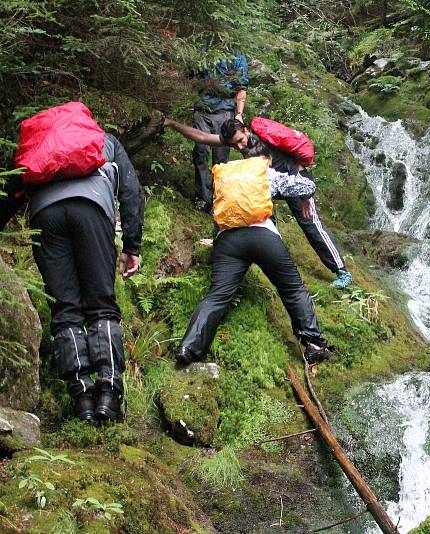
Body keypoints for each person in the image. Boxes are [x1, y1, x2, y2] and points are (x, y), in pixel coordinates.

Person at [0, 134, 143, 422]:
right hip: (92, 208)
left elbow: (12, 188)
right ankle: (109, 396)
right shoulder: (104, 139)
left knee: (65, 308)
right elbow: (130, 190)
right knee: (101, 305)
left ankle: (82, 398)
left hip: (45, 215)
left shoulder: (38, 143)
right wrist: (131, 246)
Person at [175, 156, 336, 366]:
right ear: (265, 159)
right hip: (263, 237)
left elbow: (220, 211)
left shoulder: (225, 176)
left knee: (216, 297)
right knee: (293, 290)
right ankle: (314, 345)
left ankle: (189, 347)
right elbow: (306, 184)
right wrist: (307, 197)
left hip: (228, 240)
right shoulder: (265, 172)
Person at [164, 116, 354, 289]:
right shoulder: (236, 139)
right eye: (233, 144)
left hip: (295, 180)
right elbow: (202, 137)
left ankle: (342, 271)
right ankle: (272, 259)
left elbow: (294, 167)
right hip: (269, 184)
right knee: (263, 218)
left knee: (311, 225)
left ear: (246, 131)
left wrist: (306, 196)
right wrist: (173, 123)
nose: (239, 147)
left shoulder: (258, 143)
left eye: (240, 141)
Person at [189, 52, 249, 213]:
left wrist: (238, 114)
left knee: (221, 158)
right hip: (202, 108)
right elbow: (190, 74)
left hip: (225, 111)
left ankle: (218, 197)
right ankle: (202, 196)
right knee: (200, 152)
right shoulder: (202, 48)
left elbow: (241, 88)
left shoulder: (237, 55)